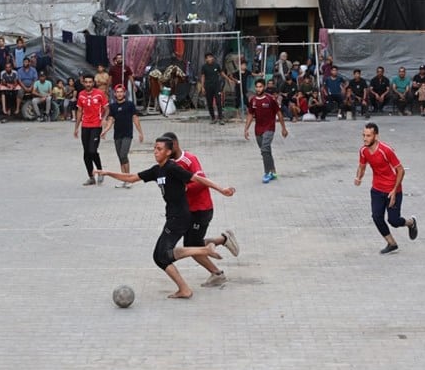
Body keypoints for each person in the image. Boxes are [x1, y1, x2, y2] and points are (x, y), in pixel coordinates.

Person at [94, 136, 236, 299]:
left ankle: (200, 258)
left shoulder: (172, 168)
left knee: (161, 255)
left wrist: (221, 189)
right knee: (162, 256)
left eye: (159, 149)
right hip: (174, 217)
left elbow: (197, 178)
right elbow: (131, 178)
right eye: (154, 148)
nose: (155, 151)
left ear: (168, 152)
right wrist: (107, 172)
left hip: (180, 217)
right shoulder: (157, 170)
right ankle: (186, 284)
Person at [161, 131, 240, 287]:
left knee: (193, 246)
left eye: (165, 148)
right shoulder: (167, 163)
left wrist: (183, 189)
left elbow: (200, 180)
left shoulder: (189, 159)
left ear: (174, 145)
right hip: (186, 211)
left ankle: (217, 274)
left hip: (201, 209)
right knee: (193, 244)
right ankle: (224, 239)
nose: (163, 152)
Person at [355, 122, 418, 254]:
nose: (365, 138)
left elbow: (400, 170)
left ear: (376, 136)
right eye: (364, 135)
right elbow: (362, 165)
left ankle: (411, 223)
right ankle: (391, 243)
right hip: (377, 189)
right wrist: (358, 178)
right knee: (377, 217)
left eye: (368, 135)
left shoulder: (386, 150)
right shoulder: (363, 150)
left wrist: (394, 190)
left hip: (392, 190)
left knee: (393, 221)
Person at [245, 79, 288, 184]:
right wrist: (246, 129)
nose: (258, 89)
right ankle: (273, 171)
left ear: (264, 87)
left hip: (269, 128)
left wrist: (283, 128)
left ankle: (267, 173)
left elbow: (279, 113)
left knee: (265, 149)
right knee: (265, 151)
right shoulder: (253, 100)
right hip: (258, 129)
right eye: (257, 87)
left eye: (260, 86)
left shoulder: (270, 99)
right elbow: (250, 115)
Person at [100, 84, 144, 187]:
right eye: (117, 92)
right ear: (114, 94)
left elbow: (135, 118)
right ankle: (124, 179)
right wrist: (105, 130)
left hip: (127, 134)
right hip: (117, 135)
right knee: (120, 157)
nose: (119, 94)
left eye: (121, 92)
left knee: (124, 155)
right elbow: (111, 120)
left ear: (124, 93)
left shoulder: (130, 105)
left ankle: (129, 179)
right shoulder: (113, 106)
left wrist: (140, 133)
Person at [73, 73, 109, 186]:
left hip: (96, 126)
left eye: (90, 82)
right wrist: (76, 127)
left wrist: (104, 118)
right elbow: (79, 111)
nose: (88, 84)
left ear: (93, 83)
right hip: (85, 126)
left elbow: (106, 108)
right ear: (83, 83)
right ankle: (91, 177)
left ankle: (100, 171)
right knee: (86, 153)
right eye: (86, 82)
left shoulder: (99, 94)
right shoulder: (81, 94)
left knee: (92, 150)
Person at [200, 52, 231, 125]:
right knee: (210, 103)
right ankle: (213, 118)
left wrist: (227, 78)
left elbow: (221, 73)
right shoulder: (204, 67)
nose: (210, 58)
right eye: (208, 57)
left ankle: (220, 118)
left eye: (211, 57)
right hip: (208, 87)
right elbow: (203, 76)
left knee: (218, 102)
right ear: (206, 59)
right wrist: (202, 87)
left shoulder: (216, 65)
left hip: (216, 86)